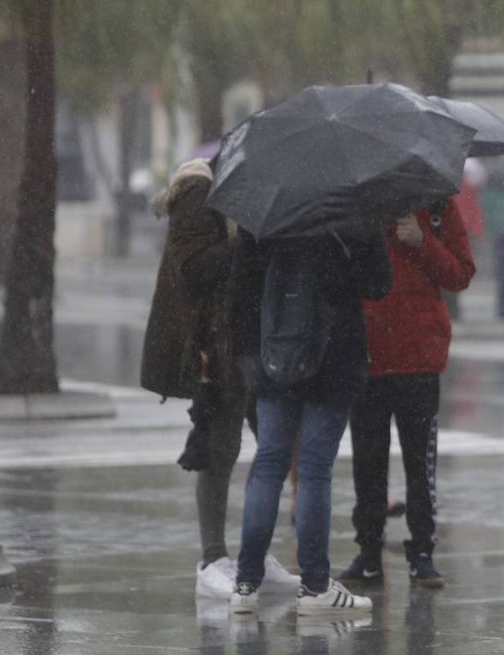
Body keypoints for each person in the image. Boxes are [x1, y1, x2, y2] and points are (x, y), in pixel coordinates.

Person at [140, 157, 300, 599]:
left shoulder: (255, 195)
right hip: (217, 342)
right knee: (219, 445)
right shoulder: (199, 190)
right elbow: (193, 268)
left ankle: (255, 555)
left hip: (255, 335)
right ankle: (212, 558)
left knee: (272, 444)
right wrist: (248, 240)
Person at [228, 221, 392, 615]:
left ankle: (246, 584)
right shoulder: (349, 208)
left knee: (269, 465)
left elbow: (241, 289)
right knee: (315, 471)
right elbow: (378, 282)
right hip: (334, 357)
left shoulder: (267, 212)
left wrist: (253, 351)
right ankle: (315, 586)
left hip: (276, 352)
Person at [340, 199, 474, 589]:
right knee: (367, 463)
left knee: (420, 465)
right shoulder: (360, 202)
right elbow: (338, 271)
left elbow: (461, 274)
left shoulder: (437, 206)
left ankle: (422, 554)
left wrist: (422, 241)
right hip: (367, 357)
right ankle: (368, 553)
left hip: (420, 360)